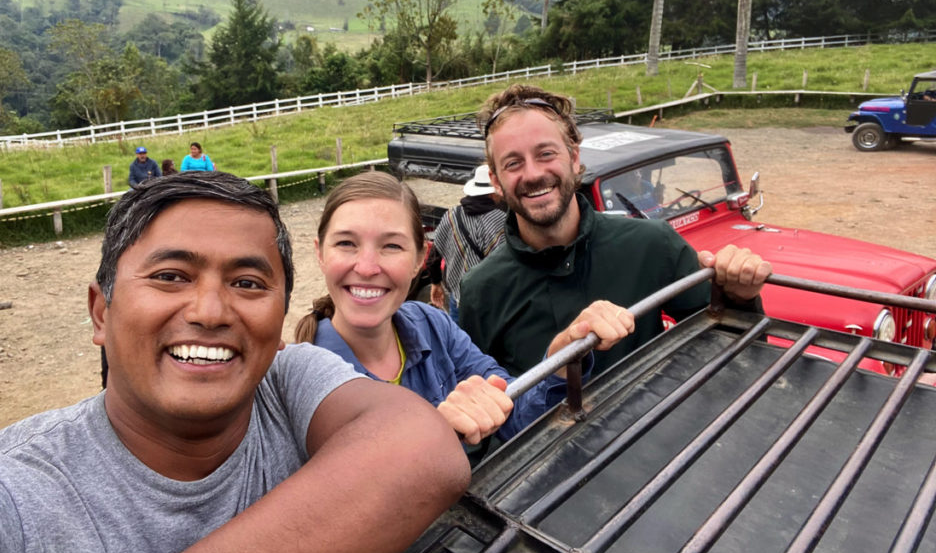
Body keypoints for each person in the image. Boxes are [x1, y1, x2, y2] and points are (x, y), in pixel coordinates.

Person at [0, 171, 469, 553]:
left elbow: (422, 451)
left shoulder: (287, 383)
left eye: (248, 284)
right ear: (101, 311)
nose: (209, 311)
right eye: (170, 276)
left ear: (279, 326)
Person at [293, 171, 634, 446]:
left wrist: (562, 359)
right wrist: (432, 435)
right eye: (346, 244)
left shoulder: (433, 325)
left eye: (392, 246)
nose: (367, 267)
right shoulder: (296, 383)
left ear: (419, 259)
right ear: (320, 253)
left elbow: (516, 416)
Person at [458, 84, 772, 378]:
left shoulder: (651, 244)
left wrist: (739, 297)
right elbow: (486, 412)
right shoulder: (481, 290)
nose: (533, 174)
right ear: (496, 179)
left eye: (546, 154)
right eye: (513, 163)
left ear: (574, 158)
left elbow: (734, 354)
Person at [428, 164, 507, 323]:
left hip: (458, 299)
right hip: (491, 307)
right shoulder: (501, 221)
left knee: (458, 345)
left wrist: (435, 283)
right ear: (493, 193)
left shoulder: (451, 215)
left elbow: (434, 256)